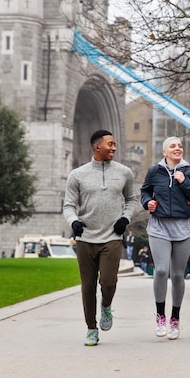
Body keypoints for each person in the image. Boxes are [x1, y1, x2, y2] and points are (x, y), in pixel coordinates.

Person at [63, 129, 137, 346]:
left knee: (108, 282)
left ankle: (106, 306)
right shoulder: (77, 175)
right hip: (86, 237)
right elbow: (68, 205)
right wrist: (74, 222)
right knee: (87, 287)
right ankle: (91, 328)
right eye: (110, 144)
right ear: (97, 147)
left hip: (112, 237)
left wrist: (125, 218)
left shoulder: (124, 173)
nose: (114, 147)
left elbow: (131, 199)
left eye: (114, 144)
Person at [141, 136, 190, 339]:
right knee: (161, 270)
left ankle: (175, 319)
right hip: (159, 226)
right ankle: (160, 316)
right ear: (164, 152)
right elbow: (144, 191)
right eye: (173, 146)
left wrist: (184, 181)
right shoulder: (154, 171)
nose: (177, 148)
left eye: (180, 146)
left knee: (178, 274)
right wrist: (148, 202)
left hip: (183, 227)